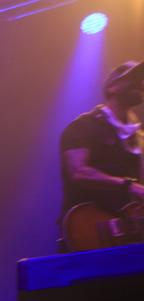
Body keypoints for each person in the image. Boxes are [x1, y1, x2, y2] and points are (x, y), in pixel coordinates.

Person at [60, 60, 144, 218]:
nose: (139, 84)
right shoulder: (84, 125)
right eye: (133, 79)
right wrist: (128, 185)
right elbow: (79, 172)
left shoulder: (138, 137)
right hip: (90, 224)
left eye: (141, 80)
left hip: (128, 223)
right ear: (112, 87)